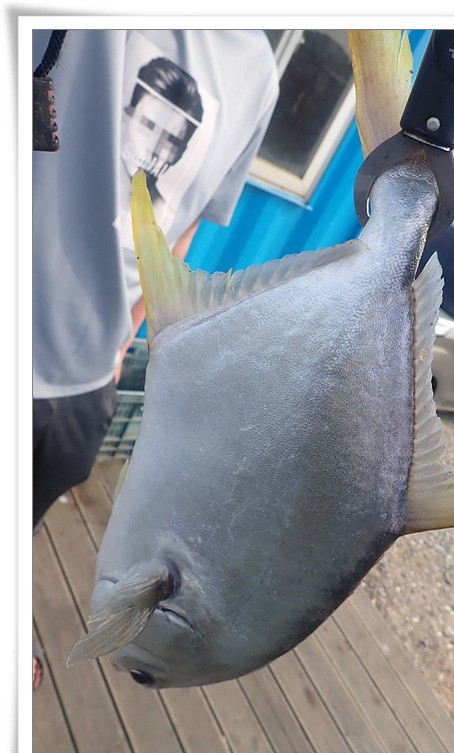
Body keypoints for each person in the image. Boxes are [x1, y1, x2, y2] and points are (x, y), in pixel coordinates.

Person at [32, 29, 279, 689]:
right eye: (149, 125)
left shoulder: (259, 71)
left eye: (175, 140)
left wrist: (127, 335)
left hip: (84, 391)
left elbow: (184, 225)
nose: (158, 150)